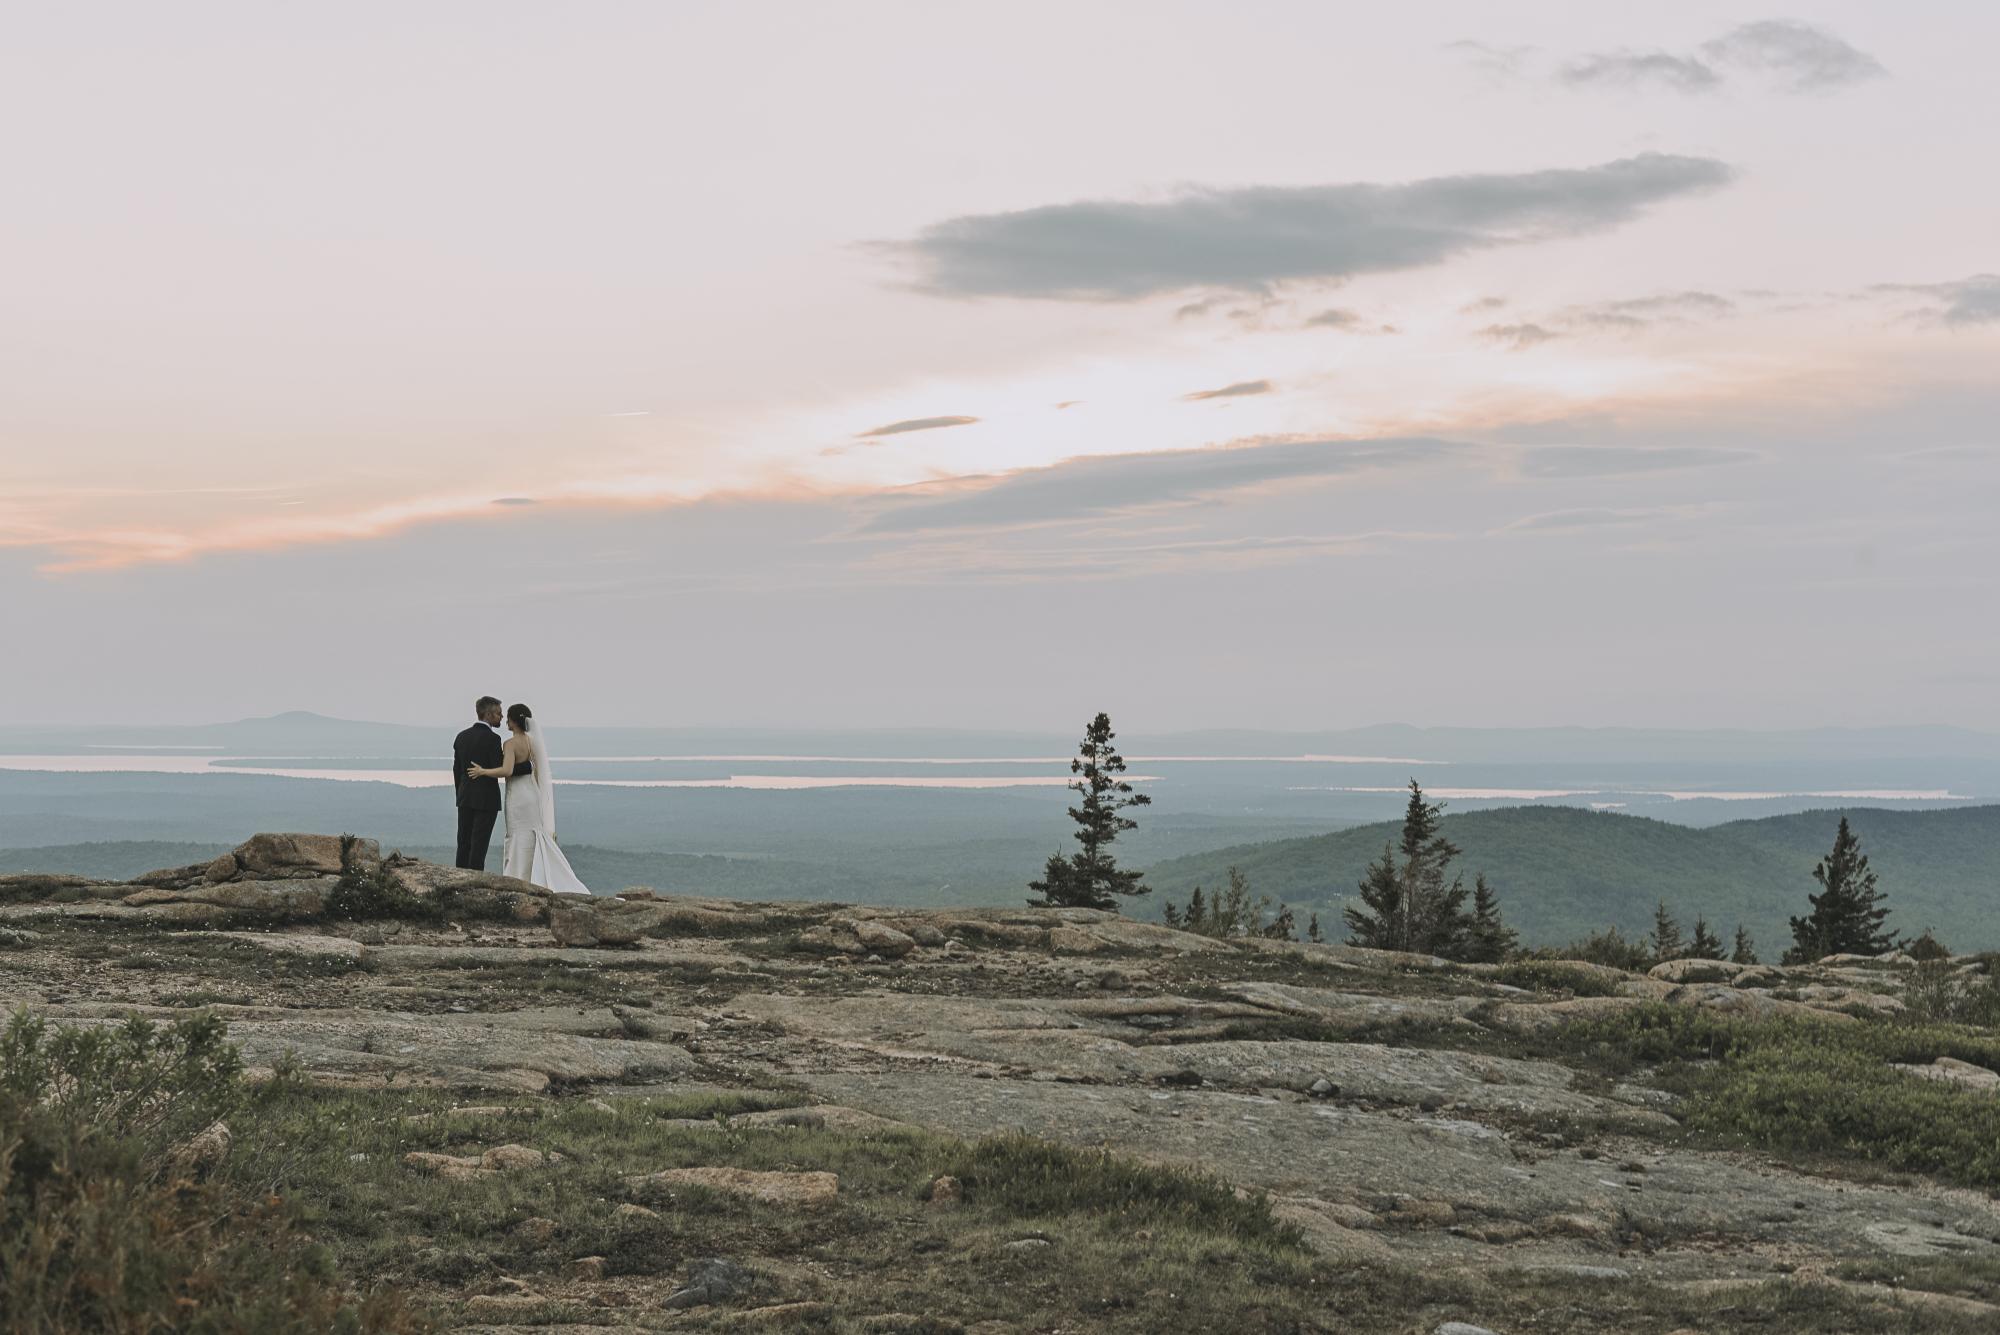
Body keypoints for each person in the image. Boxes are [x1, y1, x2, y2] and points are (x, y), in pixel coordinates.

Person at [464, 702, 590, 894]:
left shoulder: (510, 744)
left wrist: (483, 771)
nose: (506, 720)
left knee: (517, 835)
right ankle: (536, 874)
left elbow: (507, 770)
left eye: (508, 718)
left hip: (517, 796)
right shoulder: (533, 742)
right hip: (532, 794)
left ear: (514, 721)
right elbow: (536, 772)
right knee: (532, 835)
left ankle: (517, 876)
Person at [451, 696, 505, 870]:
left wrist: (460, 793)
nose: (502, 717)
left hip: (465, 797)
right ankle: (475, 880)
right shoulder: (493, 739)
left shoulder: (461, 737)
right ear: (488, 715)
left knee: (463, 842)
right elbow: (499, 766)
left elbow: (457, 771)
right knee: (479, 845)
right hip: (486, 800)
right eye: (498, 713)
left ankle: (459, 877)